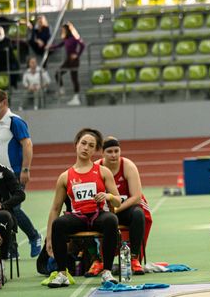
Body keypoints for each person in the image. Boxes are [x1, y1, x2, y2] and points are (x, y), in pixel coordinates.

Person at [45, 128, 121, 288]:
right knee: (58, 224)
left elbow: (118, 201)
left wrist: (108, 196)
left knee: (111, 220)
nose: (86, 148)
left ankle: (107, 272)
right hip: (78, 217)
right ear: (76, 145)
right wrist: (49, 237)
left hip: (98, 215)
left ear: (95, 150)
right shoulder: (65, 176)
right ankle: (62, 273)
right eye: (83, 143)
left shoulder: (103, 171)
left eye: (91, 145)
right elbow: (55, 208)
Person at [0, 89, 42, 257]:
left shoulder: (14, 121)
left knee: (14, 208)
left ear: (4, 103)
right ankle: (12, 248)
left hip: (14, 174)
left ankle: (34, 236)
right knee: (3, 212)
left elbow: (27, 145)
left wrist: (25, 169)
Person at [95, 137, 153, 276]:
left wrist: (116, 209)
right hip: (105, 209)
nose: (114, 155)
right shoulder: (96, 168)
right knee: (90, 217)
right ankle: (98, 260)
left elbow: (136, 197)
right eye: (109, 151)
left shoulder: (128, 166)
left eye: (116, 151)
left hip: (126, 207)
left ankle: (134, 258)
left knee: (139, 214)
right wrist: (109, 210)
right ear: (102, 153)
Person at [46, 22, 85, 106]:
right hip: (68, 60)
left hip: (74, 60)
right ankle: (61, 89)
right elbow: (59, 45)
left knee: (74, 78)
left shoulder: (74, 37)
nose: (62, 31)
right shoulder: (66, 39)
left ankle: (76, 97)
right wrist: (50, 47)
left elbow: (82, 45)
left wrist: (77, 55)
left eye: (63, 29)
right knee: (58, 73)